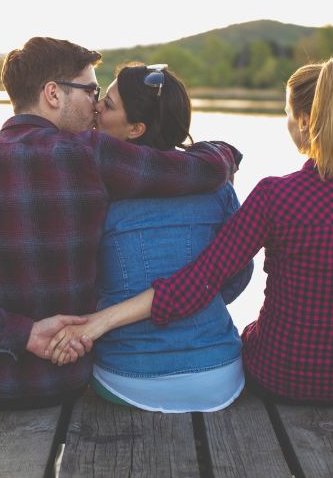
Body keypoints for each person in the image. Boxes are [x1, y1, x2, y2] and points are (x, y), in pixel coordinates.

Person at [48, 56, 333, 405]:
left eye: (285, 114)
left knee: (250, 335)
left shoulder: (276, 196)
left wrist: (97, 323)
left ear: (300, 122)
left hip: (278, 377)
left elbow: (198, 284)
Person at [0, 37, 239, 410]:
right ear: (53, 93)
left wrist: (24, 334)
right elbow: (194, 171)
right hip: (59, 381)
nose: (95, 105)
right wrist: (224, 153)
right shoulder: (90, 155)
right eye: (90, 90)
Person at [90, 63, 253, 412]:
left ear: (136, 129)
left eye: (109, 103)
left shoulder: (97, 189)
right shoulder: (216, 183)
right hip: (220, 375)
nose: (97, 107)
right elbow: (236, 278)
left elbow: (84, 284)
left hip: (129, 375)